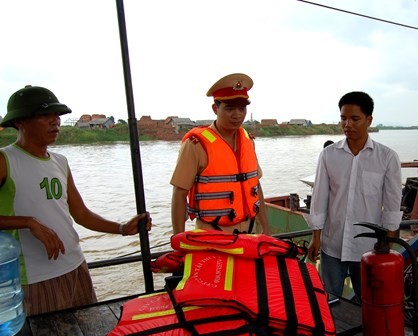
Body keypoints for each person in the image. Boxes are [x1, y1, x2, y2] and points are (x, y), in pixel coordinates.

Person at [0, 85, 152, 316]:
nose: (55, 121)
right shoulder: (5, 160)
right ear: (20, 122)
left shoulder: (60, 162)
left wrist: (122, 228)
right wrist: (28, 222)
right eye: (44, 115)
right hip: (33, 278)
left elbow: (81, 214)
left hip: (75, 266)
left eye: (57, 115)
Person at [306, 91, 403, 301]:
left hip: (368, 248)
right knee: (329, 298)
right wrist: (316, 238)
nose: (347, 124)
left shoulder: (386, 158)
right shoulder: (328, 155)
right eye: (343, 118)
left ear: (369, 120)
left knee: (368, 301)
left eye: (354, 119)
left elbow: (393, 203)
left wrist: (390, 243)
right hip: (333, 243)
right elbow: (320, 198)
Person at [170, 73, 270, 235]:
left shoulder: (248, 141)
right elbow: (179, 193)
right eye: (229, 109)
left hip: (250, 232)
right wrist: (179, 239)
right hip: (212, 235)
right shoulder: (196, 144)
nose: (237, 115)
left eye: (242, 108)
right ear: (215, 109)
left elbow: (255, 185)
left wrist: (266, 228)